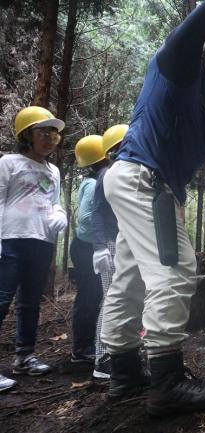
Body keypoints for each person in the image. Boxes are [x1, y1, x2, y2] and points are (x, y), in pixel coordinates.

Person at [100, 0, 205, 416]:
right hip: (145, 183)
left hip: (138, 179)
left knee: (130, 279)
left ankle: (125, 371)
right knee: (177, 269)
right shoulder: (180, 59)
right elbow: (204, 15)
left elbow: (184, 160)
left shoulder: (195, 91)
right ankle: (166, 383)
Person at [0, 106, 67, 391]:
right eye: (43, 132)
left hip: (41, 241)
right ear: (26, 135)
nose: (50, 139)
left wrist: (60, 214)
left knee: (29, 302)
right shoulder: (8, 162)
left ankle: (24, 356)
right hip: (11, 239)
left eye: (53, 134)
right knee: (2, 300)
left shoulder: (53, 170)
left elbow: (54, 202)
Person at [90, 124, 128, 380]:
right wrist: (100, 246)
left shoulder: (122, 173)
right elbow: (95, 213)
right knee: (112, 299)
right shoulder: (107, 174)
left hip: (124, 243)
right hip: (111, 245)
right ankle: (102, 358)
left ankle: (119, 353)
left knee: (122, 298)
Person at [69, 135, 106, 365]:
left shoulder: (91, 181)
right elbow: (86, 218)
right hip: (87, 248)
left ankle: (88, 343)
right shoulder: (93, 184)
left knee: (95, 296)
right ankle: (82, 348)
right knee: (89, 297)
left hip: (87, 246)